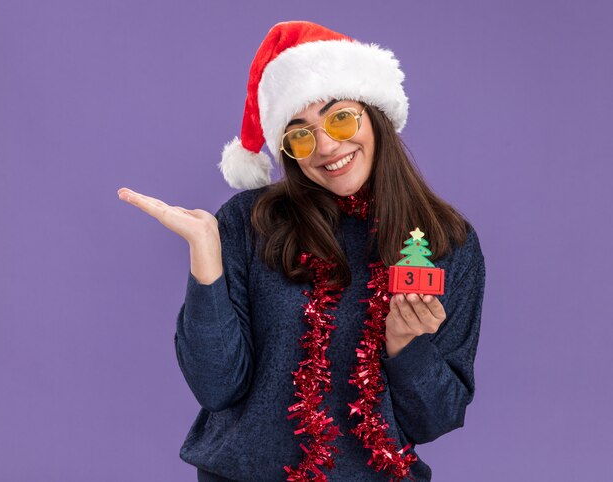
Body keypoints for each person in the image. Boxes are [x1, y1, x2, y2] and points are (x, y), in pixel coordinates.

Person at [117, 21, 485, 482]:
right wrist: (205, 258)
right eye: (301, 134)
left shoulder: (445, 241)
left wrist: (406, 346)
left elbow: (436, 419)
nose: (327, 146)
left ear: (375, 115)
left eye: (341, 118)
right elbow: (216, 387)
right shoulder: (248, 222)